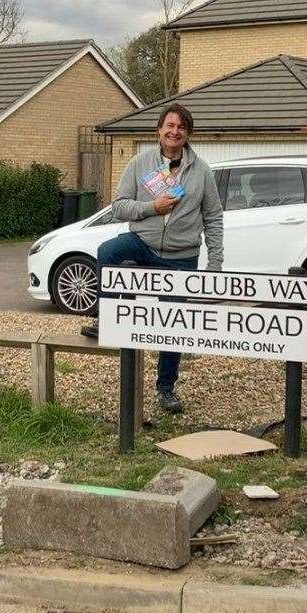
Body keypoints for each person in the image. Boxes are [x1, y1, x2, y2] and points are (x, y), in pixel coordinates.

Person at [81, 103, 224, 417]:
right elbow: (119, 206)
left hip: (182, 257)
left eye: (181, 128)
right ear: (159, 130)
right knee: (108, 252)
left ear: (188, 134)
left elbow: (213, 218)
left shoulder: (202, 171)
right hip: (143, 244)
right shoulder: (140, 162)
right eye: (169, 126)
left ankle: (166, 387)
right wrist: (151, 208)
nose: (174, 132)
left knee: (173, 325)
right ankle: (108, 315)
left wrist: (215, 264)